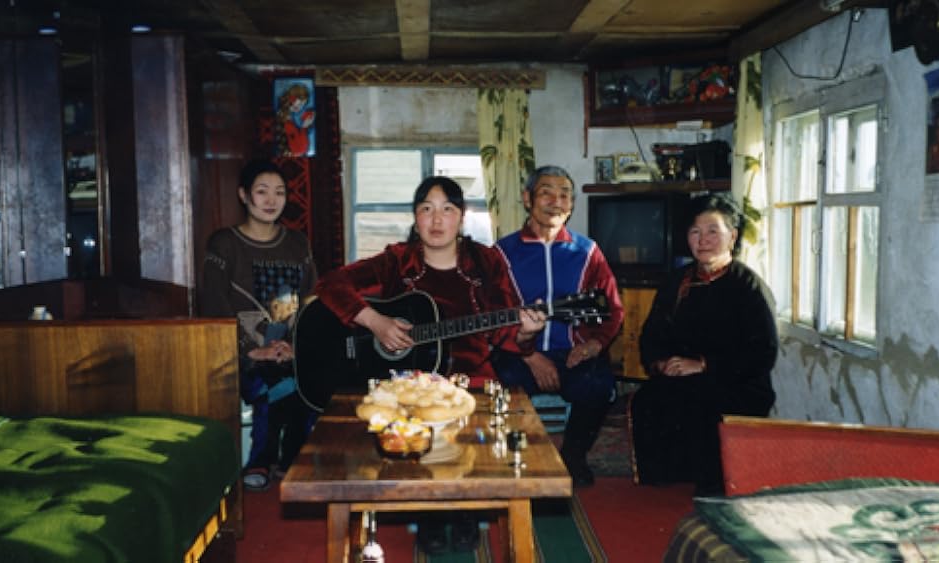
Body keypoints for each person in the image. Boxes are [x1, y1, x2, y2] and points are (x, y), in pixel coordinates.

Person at [314, 176, 546, 555]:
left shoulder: (486, 262)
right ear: (415, 217)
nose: (437, 220)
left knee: (473, 433)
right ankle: (429, 512)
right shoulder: (397, 261)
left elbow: (506, 331)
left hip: (472, 376)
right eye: (427, 209)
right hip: (409, 381)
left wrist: (525, 334)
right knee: (414, 424)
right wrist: (375, 321)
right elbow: (330, 283)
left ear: (462, 216)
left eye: (447, 210)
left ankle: (466, 508)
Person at [629, 193, 778, 496]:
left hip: (736, 381)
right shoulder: (677, 282)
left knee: (704, 402)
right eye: (695, 232)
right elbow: (652, 335)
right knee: (649, 399)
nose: (703, 240)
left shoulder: (748, 286)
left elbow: (762, 352)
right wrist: (662, 362)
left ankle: (713, 486)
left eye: (713, 231)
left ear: (732, 236)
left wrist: (703, 365)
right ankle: (662, 485)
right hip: (682, 375)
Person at [492, 165, 625, 488]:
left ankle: (573, 457)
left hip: (572, 352)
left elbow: (613, 309)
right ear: (527, 199)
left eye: (565, 195)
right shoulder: (501, 254)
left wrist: (593, 345)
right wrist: (529, 356)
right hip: (518, 354)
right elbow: (491, 315)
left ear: (572, 204)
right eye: (546, 193)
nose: (556, 202)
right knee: (498, 383)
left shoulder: (587, 252)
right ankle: (512, 459)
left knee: (599, 385)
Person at [200, 158, 318, 492]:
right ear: (244, 195)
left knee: (311, 379)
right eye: (262, 191)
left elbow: (310, 301)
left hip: (289, 349)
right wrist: (253, 350)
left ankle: (290, 458)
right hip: (239, 353)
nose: (271, 200)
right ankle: (265, 460)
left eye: (279, 192)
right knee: (276, 382)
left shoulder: (298, 243)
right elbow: (215, 307)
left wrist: (294, 345)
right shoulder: (224, 243)